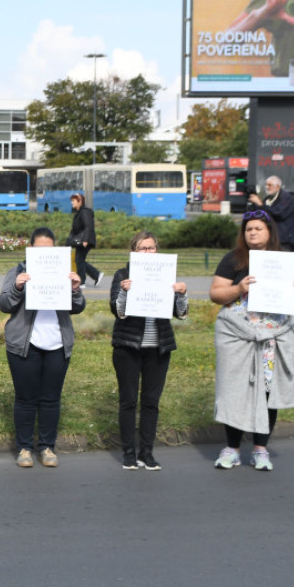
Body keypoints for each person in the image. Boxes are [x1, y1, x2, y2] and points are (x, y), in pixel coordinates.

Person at [209, 210, 294, 471]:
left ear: (269, 232)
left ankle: (261, 449)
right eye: (248, 229)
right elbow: (216, 294)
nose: (252, 233)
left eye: (258, 229)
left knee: (267, 390)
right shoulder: (233, 260)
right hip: (238, 337)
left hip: (272, 337)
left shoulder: (285, 260)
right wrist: (239, 289)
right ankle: (232, 448)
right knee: (234, 389)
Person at [0, 227, 85, 468]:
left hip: (58, 344)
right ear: (31, 250)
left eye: (49, 249)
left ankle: (47, 447)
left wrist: (76, 289)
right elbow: (3, 303)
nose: (44, 253)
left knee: (51, 399)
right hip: (25, 345)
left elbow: (78, 307)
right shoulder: (18, 270)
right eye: (39, 249)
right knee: (25, 398)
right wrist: (16, 286)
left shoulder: (66, 272)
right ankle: (25, 448)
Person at [109, 231, 188, 470]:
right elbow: (118, 311)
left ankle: (147, 452)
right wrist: (124, 291)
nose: (148, 252)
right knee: (128, 401)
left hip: (158, 347)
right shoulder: (123, 274)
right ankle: (129, 453)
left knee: (151, 402)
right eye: (142, 248)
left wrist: (182, 295)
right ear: (133, 252)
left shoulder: (166, 275)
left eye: (151, 248)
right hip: (128, 347)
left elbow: (181, 313)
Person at [248, 176, 294, 252]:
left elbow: (279, 213)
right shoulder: (268, 199)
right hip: (271, 239)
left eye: (269, 185)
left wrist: (260, 204)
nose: (267, 187)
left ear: (277, 186)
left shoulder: (286, 198)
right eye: (266, 185)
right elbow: (262, 214)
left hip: (284, 240)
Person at [68, 193, 102, 287]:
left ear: (80, 201)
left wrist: (85, 240)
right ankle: (96, 274)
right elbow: (75, 228)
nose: (72, 203)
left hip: (86, 240)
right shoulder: (78, 213)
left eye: (73, 201)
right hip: (80, 241)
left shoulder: (84, 212)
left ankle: (82, 281)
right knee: (79, 259)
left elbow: (88, 226)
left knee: (79, 259)